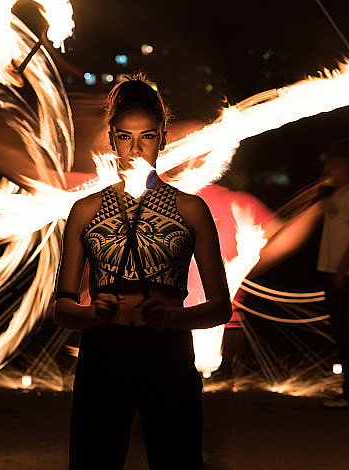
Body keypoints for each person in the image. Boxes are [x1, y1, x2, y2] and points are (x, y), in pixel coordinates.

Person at [51, 75, 232, 470]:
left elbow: (221, 307)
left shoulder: (190, 210)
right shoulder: (84, 211)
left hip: (167, 355)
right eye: (124, 137)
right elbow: (61, 308)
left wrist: (173, 317)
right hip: (103, 354)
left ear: (163, 138)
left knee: (177, 462)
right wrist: (91, 313)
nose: (135, 149)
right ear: (112, 140)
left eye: (146, 137)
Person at [317, 146, 349, 409]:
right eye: (330, 168)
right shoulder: (338, 195)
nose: (330, 172)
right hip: (334, 273)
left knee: (347, 333)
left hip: (345, 275)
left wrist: (340, 270)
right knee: (340, 332)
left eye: (336, 168)